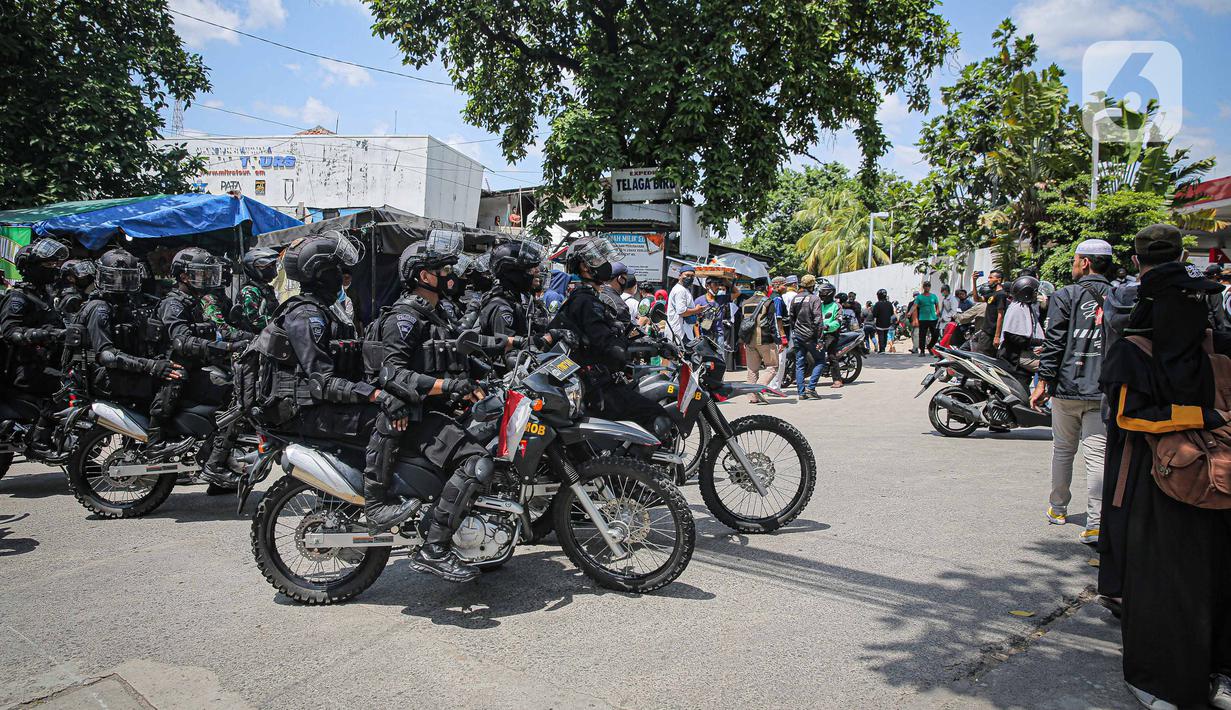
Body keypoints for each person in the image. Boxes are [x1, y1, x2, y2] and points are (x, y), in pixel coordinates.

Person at [1098, 252, 1231, 710]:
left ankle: (1216, 670)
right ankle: (1154, 679)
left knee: (1214, 578)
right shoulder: (1133, 351)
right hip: (1154, 484)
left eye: (1201, 297)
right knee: (1160, 583)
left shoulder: (1214, 348)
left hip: (1216, 483)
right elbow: (1129, 417)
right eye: (1186, 298)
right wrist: (1201, 416)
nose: (1196, 305)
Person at [364, 236, 515, 583]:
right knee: (475, 461)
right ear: (423, 276)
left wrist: (488, 375)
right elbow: (393, 373)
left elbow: (457, 353)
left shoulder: (435, 314)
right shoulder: (404, 318)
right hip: (411, 416)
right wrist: (447, 387)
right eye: (443, 269)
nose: (452, 275)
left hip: (434, 409)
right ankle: (434, 548)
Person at [1030, 239, 1113, 545]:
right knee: (1098, 457)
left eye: (1076, 259)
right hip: (1104, 390)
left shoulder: (1066, 295)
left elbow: (1053, 343)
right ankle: (1096, 524)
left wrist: (1042, 383)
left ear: (1086, 262)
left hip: (1067, 388)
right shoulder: (1120, 294)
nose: (1073, 264)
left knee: (1063, 451)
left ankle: (1058, 508)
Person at [550, 236, 674, 439]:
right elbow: (608, 345)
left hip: (600, 381)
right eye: (600, 260)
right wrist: (642, 350)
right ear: (584, 267)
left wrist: (654, 343)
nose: (607, 265)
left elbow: (621, 331)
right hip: (595, 388)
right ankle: (636, 471)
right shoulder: (585, 302)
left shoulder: (591, 299)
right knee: (658, 418)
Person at [146, 248, 246, 461]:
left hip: (195, 365)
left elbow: (217, 330)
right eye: (202, 274)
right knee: (176, 376)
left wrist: (249, 339)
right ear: (184, 276)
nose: (208, 279)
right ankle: (155, 441)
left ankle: (216, 457)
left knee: (232, 389)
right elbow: (182, 342)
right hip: (171, 366)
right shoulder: (173, 304)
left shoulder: (195, 302)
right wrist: (227, 348)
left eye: (209, 273)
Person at [72, 249, 183, 417]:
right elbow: (107, 356)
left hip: (120, 371)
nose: (120, 283)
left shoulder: (128, 306)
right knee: (172, 381)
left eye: (126, 278)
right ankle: (156, 437)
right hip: (101, 376)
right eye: (114, 278)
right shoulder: (99, 308)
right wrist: (151, 366)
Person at [0, 238, 70, 453]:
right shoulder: (17, 297)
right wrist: (43, 334)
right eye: (48, 265)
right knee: (63, 390)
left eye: (55, 265)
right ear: (31, 268)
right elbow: (9, 331)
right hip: (26, 368)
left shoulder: (46, 296)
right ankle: (40, 440)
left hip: (47, 361)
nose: (54, 269)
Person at [477, 240, 548, 340]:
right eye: (529, 270)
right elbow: (508, 348)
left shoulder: (513, 301)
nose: (534, 274)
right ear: (513, 273)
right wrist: (547, 340)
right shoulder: (500, 307)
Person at [738, 277, 782, 404]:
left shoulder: (745, 302)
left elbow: (743, 323)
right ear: (766, 288)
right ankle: (760, 387)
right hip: (765, 340)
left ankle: (752, 397)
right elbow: (772, 324)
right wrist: (778, 341)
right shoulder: (768, 302)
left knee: (752, 370)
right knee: (772, 367)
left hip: (749, 341)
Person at [791, 275, 825, 399]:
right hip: (811, 336)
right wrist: (820, 339)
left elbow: (791, 318)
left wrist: (795, 331)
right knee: (820, 360)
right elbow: (818, 320)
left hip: (798, 335)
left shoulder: (795, 298)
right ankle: (811, 388)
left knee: (800, 364)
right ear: (812, 286)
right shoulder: (814, 299)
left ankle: (801, 393)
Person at [232, 248, 280, 333]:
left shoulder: (266, 289)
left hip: (270, 335)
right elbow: (254, 321)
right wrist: (281, 322)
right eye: (267, 266)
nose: (272, 268)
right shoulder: (249, 291)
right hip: (255, 340)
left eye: (273, 265)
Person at [815, 280, 845, 388]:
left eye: (823, 292)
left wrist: (828, 326)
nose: (821, 295)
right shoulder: (819, 305)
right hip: (817, 332)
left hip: (831, 334)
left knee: (831, 355)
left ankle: (837, 380)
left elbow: (838, 321)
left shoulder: (836, 306)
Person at [667, 268, 703, 343]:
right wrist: (697, 310)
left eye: (692, 276)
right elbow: (682, 312)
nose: (690, 278)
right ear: (679, 276)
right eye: (687, 275)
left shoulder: (684, 289)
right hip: (680, 332)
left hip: (684, 331)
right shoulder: (680, 290)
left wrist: (696, 313)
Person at [910, 282, 941, 356]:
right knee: (922, 335)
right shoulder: (919, 297)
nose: (927, 287)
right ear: (923, 287)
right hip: (923, 319)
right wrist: (910, 312)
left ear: (930, 287)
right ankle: (922, 351)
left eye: (928, 286)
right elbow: (914, 306)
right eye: (926, 286)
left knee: (936, 335)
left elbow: (937, 305)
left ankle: (930, 346)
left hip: (933, 319)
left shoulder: (933, 296)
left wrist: (937, 312)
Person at [872, 289, 895, 353]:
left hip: (879, 323)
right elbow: (892, 313)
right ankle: (883, 347)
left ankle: (882, 349)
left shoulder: (877, 304)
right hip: (887, 323)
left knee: (881, 336)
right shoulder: (889, 304)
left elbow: (874, 314)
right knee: (885, 336)